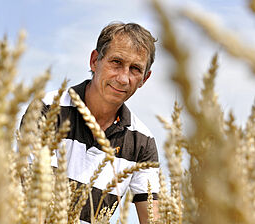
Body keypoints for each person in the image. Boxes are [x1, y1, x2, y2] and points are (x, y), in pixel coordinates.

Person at [27, 22, 159, 224]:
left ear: (144, 79)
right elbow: (40, 205)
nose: (124, 78)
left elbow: (153, 219)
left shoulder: (142, 141)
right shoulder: (47, 109)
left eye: (135, 69)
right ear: (94, 61)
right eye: (116, 62)